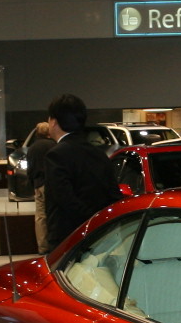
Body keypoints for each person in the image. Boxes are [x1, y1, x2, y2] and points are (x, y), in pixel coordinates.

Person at [40, 93, 117, 249]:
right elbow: (112, 194)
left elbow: (64, 199)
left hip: (68, 238)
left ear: (54, 122)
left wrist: (87, 220)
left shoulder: (56, 155)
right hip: (101, 235)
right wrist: (97, 221)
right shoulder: (99, 154)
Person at [24, 121, 59, 251]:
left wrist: (34, 185)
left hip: (39, 185)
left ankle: (42, 246)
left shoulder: (32, 148)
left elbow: (30, 169)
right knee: (55, 214)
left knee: (40, 216)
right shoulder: (54, 145)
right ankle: (56, 245)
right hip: (53, 184)